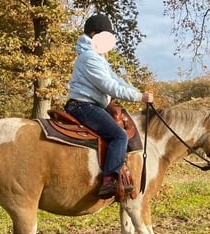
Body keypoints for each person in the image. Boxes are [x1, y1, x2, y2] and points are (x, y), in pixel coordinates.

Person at [65, 13, 154, 199]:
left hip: (90, 105)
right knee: (119, 135)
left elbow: (117, 80)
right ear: (94, 34)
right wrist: (139, 97)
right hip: (83, 106)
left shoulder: (98, 58)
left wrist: (139, 92)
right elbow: (109, 87)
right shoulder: (89, 58)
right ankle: (109, 180)